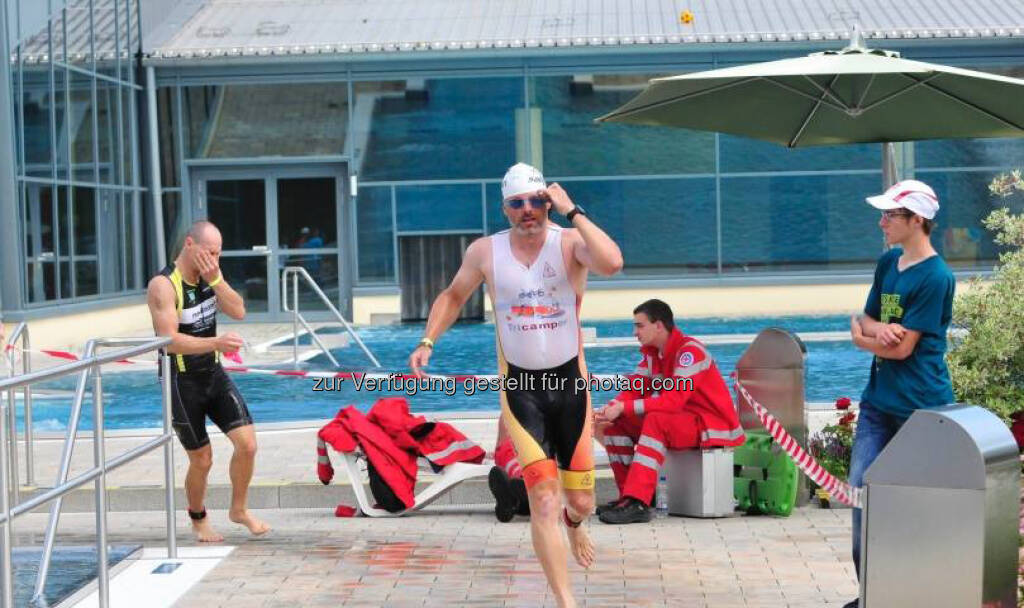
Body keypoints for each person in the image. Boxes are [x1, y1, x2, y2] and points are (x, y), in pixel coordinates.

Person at [409, 162, 623, 608]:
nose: (529, 210)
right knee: (542, 497)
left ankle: (576, 523)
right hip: (521, 390)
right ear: (505, 209)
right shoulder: (485, 252)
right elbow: (452, 295)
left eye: (536, 201)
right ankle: (566, 600)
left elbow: (612, 263)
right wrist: (428, 340)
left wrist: (573, 210)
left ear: (547, 202)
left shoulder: (569, 243)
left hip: (571, 387)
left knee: (580, 502)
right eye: (518, 203)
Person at [844, 179, 955, 608]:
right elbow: (869, 318)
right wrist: (877, 331)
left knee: (913, 508)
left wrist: (863, 340)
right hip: (877, 404)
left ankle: (915, 594)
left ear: (918, 220)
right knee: (861, 497)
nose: (882, 222)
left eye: (891, 215)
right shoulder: (888, 263)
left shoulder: (937, 277)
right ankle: (871, 595)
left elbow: (904, 349)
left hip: (921, 409)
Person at [147, 220, 271, 542]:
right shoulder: (164, 285)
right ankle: (198, 517)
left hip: (213, 374)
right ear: (190, 244)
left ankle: (239, 510)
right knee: (202, 459)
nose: (214, 259)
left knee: (248, 444)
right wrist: (216, 344)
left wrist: (216, 278)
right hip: (181, 381)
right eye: (209, 252)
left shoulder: (210, 274)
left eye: (218, 253)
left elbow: (239, 310)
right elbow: (168, 341)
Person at [594, 299, 745, 524]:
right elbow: (634, 387)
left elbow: (674, 400)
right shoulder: (653, 355)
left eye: (639, 325)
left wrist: (624, 407)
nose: (635, 332)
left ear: (659, 325)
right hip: (685, 422)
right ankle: (629, 498)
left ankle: (638, 501)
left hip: (710, 426)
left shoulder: (690, 353)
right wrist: (611, 408)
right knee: (617, 425)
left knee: (656, 420)